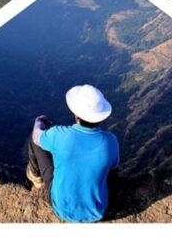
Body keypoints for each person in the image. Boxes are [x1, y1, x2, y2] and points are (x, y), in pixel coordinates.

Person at [27, 84, 119, 223]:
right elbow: (113, 171)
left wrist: (39, 121)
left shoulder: (59, 135)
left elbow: (36, 137)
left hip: (61, 209)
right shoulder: (111, 141)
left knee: (35, 142)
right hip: (98, 211)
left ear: (76, 115)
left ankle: (35, 178)